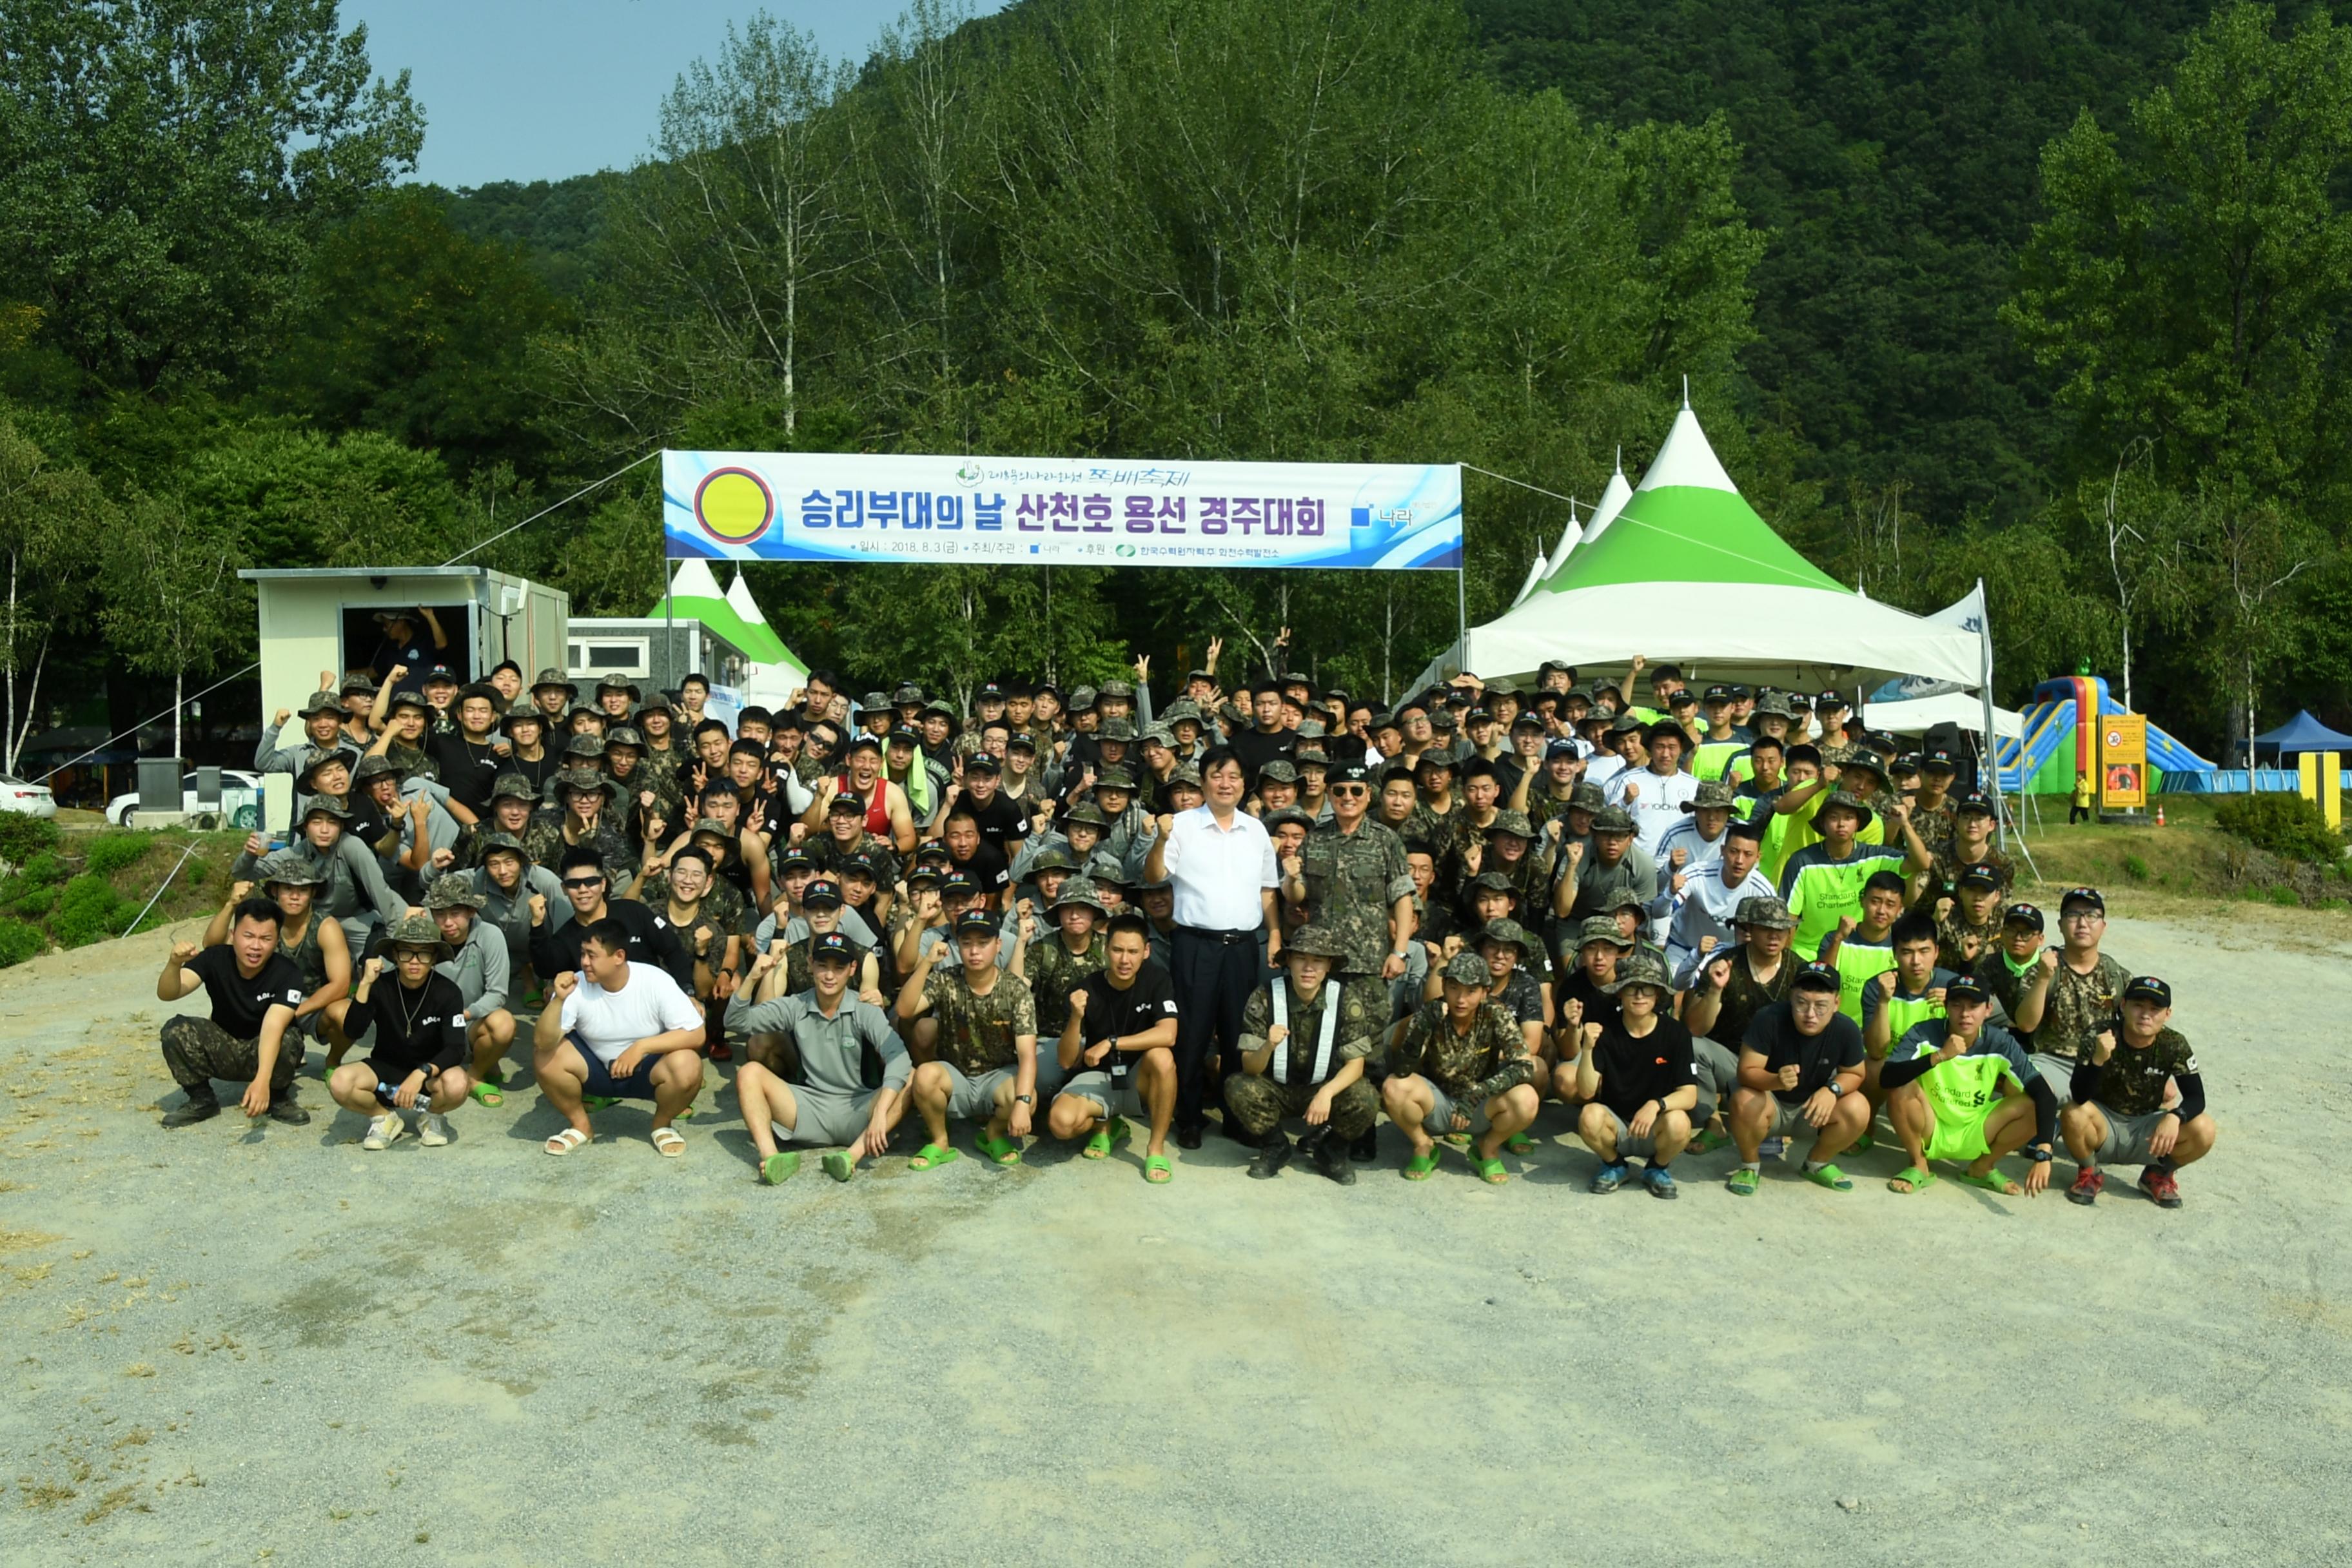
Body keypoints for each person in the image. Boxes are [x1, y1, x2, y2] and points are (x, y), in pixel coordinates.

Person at [1145, 745, 1280, 1149]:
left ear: (1244, 784)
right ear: (1203, 782)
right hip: (1195, 944)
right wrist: (1160, 839)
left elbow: (1268, 889)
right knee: (1193, 1032)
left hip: (1242, 947)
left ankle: (1237, 1116)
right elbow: (1155, 875)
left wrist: (1274, 933)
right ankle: (1188, 1117)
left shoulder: (1255, 829)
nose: (1226, 784)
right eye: (1217, 776)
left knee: (1238, 1032)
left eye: (1234, 776)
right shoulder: (1182, 825)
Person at [729, 931, 912, 1184]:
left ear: (852, 969)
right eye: (822, 965)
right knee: (749, 1072)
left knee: (912, 1076)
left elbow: (899, 1057)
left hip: (858, 1110)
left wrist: (880, 1111)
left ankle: (851, 1156)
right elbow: (736, 1022)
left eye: (839, 968)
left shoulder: (864, 1009)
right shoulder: (796, 1005)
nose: (829, 975)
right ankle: (772, 1158)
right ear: (810, 964)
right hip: (809, 1109)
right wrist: (751, 979)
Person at [532, 917, 708, 1157]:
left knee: (688, 1064)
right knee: (546, 1057)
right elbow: (543, 1043)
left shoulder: (654, 980)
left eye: (592, 955)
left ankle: (662, 1125)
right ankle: (580, 1126)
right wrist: (558, 1001)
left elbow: (697, 1033)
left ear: (619, 957)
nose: (584, 962)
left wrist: (641, 1048)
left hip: (648, 1072)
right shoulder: (576, 984)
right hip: (595, 1070)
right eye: (582, 954)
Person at [1225, 924, 1381, 1184]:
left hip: (1322, 1087)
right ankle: (1275, 1146)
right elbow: (1249, 1068)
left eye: (1318, 960)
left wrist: (1327, 1093)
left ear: (1328, 966)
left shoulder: (1346, 1000)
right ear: (1289, 962)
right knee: (1237, 1087)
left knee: (1366, 1097)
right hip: (1276, 1087)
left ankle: (1331, 1151)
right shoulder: (1264, 996)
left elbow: (1356, 1065)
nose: (1309, 968)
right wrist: (1267, 1047)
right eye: (1301, 959)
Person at [1878, 973, 2057, 1196]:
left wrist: (2043, 1154)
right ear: (1945, 1006)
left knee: (2034, 1102)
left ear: (1988, 1010)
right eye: (1957, 1005)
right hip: (1931, 1124)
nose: (1965, 1014)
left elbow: (2046, 1097)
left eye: (1974, 1006)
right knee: (1901, 1086)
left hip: (1977, 1127)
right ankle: (1918, 1164)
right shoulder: (1923, 1031)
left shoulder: (2000, 1042)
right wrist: (1940, 1056)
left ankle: (1982, 1168)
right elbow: (1887, 1078)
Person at [896, 908, 1040, 1170]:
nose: (974, 951)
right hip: (957, 1075)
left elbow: (1028, 1055)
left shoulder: (1015, 989)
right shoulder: (946, 979)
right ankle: (940, 1140)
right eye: (967, 943)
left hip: (998, 1076)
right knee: (925, 1075)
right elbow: (905, 1010)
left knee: (1028, 1095)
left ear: (998, 945)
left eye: (983, 943)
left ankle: (992, 1133)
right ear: (957, 946)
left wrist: (1022, 1104)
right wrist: (927, 962)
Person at [1046, 911, 1182, 1184]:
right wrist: (1075, 1018)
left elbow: (1168, 1034)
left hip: (1138, 1077)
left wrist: (1111, 1043)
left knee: (1163, 1058)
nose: (1124, 959)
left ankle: (1155, 1148)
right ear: (1106, 949)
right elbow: (1065, 1060)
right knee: (1061, 1123)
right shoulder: (1087, 988)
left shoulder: (1158, 980)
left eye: (1133, 951)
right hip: (1099, 1076)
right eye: (1118, 950)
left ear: (1146, 951)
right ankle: (1105, 1125)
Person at [1381, 951, 1541, 1183]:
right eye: (1454, 988)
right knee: (1393, 1087)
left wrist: (1479, 1093)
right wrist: (1422, 1028)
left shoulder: (1496, 1013)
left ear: (1485, 992)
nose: (1461, 999)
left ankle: (1488, 1148)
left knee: (1527, 1099)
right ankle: (1423, 1144)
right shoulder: (1430, 1012)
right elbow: (1403, 1070)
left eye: (1471, 991)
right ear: (1444, 985)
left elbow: (1525, 1066)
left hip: (1480, 1105)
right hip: (1436, 1102)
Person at [156, 899, 311, 1128]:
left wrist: (262, 1080)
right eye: (248, 936)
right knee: (175, 1030)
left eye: (266, 939)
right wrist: (174, 964)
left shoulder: (288, 974)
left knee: (290, 1038)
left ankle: (277, 1098)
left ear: (276, 941)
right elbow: (169, 993)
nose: (256, 946)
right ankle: (201, 1099)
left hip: (263, 1050)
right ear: (233, 935)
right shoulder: (214, 958)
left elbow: (273, 1026)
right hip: (224, 1046)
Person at [2061, 975, 2213, 1208]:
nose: (2146, 1015)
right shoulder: (2099, 1035)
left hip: (2148, 1131)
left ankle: (2159, 1174)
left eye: (2155, 1009)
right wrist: (2098, 1060)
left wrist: (2175, 1117)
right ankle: (2089, 1170)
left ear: (2167, 1014)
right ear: (2123, 1006)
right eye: (2138, 1006)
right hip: (2104, 1125)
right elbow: (2079, 1095)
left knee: (2204, 1128)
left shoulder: (2174, 1044)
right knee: (2073, 1112)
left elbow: (2196, 1097)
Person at [1724, 960, 1870, 1195]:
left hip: (1813, 1110)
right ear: (1791, 997)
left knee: (1858, 1107)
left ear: (1836, 1004)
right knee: (1743, 1099)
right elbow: (1746, 1071)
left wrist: (1832, 1090)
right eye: (1802, 1004)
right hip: (1770, 1105)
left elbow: (1855, 1073)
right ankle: (1750, 1165)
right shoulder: (1768, 1018)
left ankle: (1816, 1163)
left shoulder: (1847, 1029)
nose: (1810, 1015)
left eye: (1821, 1006)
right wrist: (1775, 1081)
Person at [329, 914, 472, 1150]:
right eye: (406, 953)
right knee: (340, 1082)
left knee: (457, 1083)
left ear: (434, 958)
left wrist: (421, 1073)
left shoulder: (448, 992)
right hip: (385, 1068)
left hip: (428, 1073)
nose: (414, 962)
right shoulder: (380, 985)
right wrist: (364, 984)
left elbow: (456, 1048)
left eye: (424, 954)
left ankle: (432, 1116)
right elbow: (352, 1030)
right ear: (395, 955)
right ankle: (384, 1118)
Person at [1573, 950, 1698, 1197]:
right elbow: (1586, 1091)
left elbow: (1689, 1094)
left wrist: (1657, 1105)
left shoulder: (1676, 1033)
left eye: (1647, 989)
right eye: (1632, 989)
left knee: (1680, 1123)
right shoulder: (1605, 1030)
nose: (1640, 996)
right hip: (1616, 1123)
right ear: (1620, 992)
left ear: (1658, 994)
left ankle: (1657, 1168)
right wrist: (1587, 1048)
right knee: (1589, 1116)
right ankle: (1614, 1164)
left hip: (1656, 1123)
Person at [527, 847, 696, 992]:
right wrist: (537, 925)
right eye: (574, 884)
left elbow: (673, 949)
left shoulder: (634, 911)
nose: (583, 890)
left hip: (652, 1004)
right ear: (564, 889)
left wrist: (687, 991)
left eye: (591, 882)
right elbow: (545, 969)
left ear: (603, 884)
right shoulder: (566, 937)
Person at [420, 874, 516, 1105]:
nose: (448, 923)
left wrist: (466, 1014)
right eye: (440, 914)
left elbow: (497, 993)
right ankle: (481, 1064)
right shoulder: (423, 936)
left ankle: (473, 1076)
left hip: (471, 1019)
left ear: (471, 911)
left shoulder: (490, 935)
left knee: (503, 1024)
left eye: (455, 913)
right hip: (431, 1023)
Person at [2033, 886, 2131, 1090]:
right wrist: (2043, 978)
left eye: (2091, 916)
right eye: (2073, 915)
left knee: (2163, 1095)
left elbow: (2144, 1023)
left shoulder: (2117, 975)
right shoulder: (2044, 969)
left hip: (2103, 1061)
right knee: (2026, 1086)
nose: (2082, 923)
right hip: (2053, 1062)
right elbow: (2026, 1024)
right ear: (2060, 925)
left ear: (2103, 926)